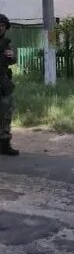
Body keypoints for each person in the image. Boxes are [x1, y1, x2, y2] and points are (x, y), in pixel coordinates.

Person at [0, 14, 19, 156]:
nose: (0, 28)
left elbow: (12, 60)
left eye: (2, 26)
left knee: (6, 113)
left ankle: (4, 145)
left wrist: (11, 56)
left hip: (4, 82)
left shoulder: (5, 43)